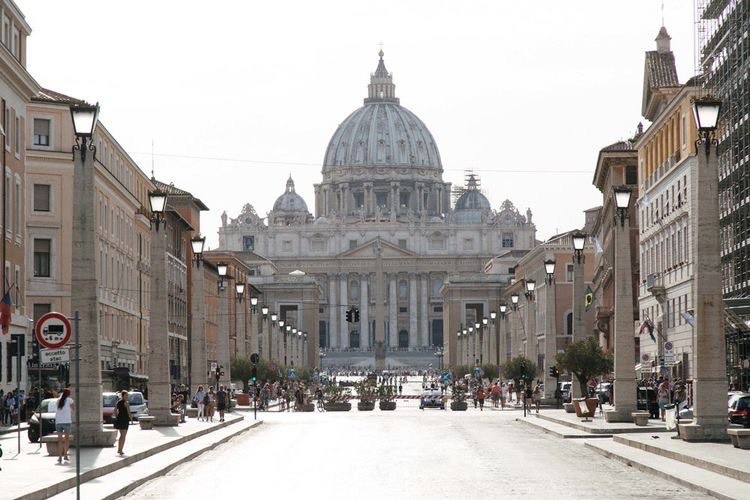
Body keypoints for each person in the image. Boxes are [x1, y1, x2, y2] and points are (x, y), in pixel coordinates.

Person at [54, 388, 74, 464]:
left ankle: (59, 457)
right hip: (67, 421)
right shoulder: (70, 400)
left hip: (58, 421)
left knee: (59, 440)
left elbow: (56, 410)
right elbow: (73, 409)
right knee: (66, 440)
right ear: (68, 394)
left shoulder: (58, 400)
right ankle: (65, 455)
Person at [113, 390, 131, 456]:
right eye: (126, 395)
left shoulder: (118, 402)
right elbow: (129, 412)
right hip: (125, 420)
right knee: (123, 436)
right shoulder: (126, 403)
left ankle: (119, 449)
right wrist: (131, 420)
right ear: (123, 395)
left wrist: (117, 417)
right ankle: (120, 450)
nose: (127, 396)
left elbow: (114, 411)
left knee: (121, 435)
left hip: (120, 419)